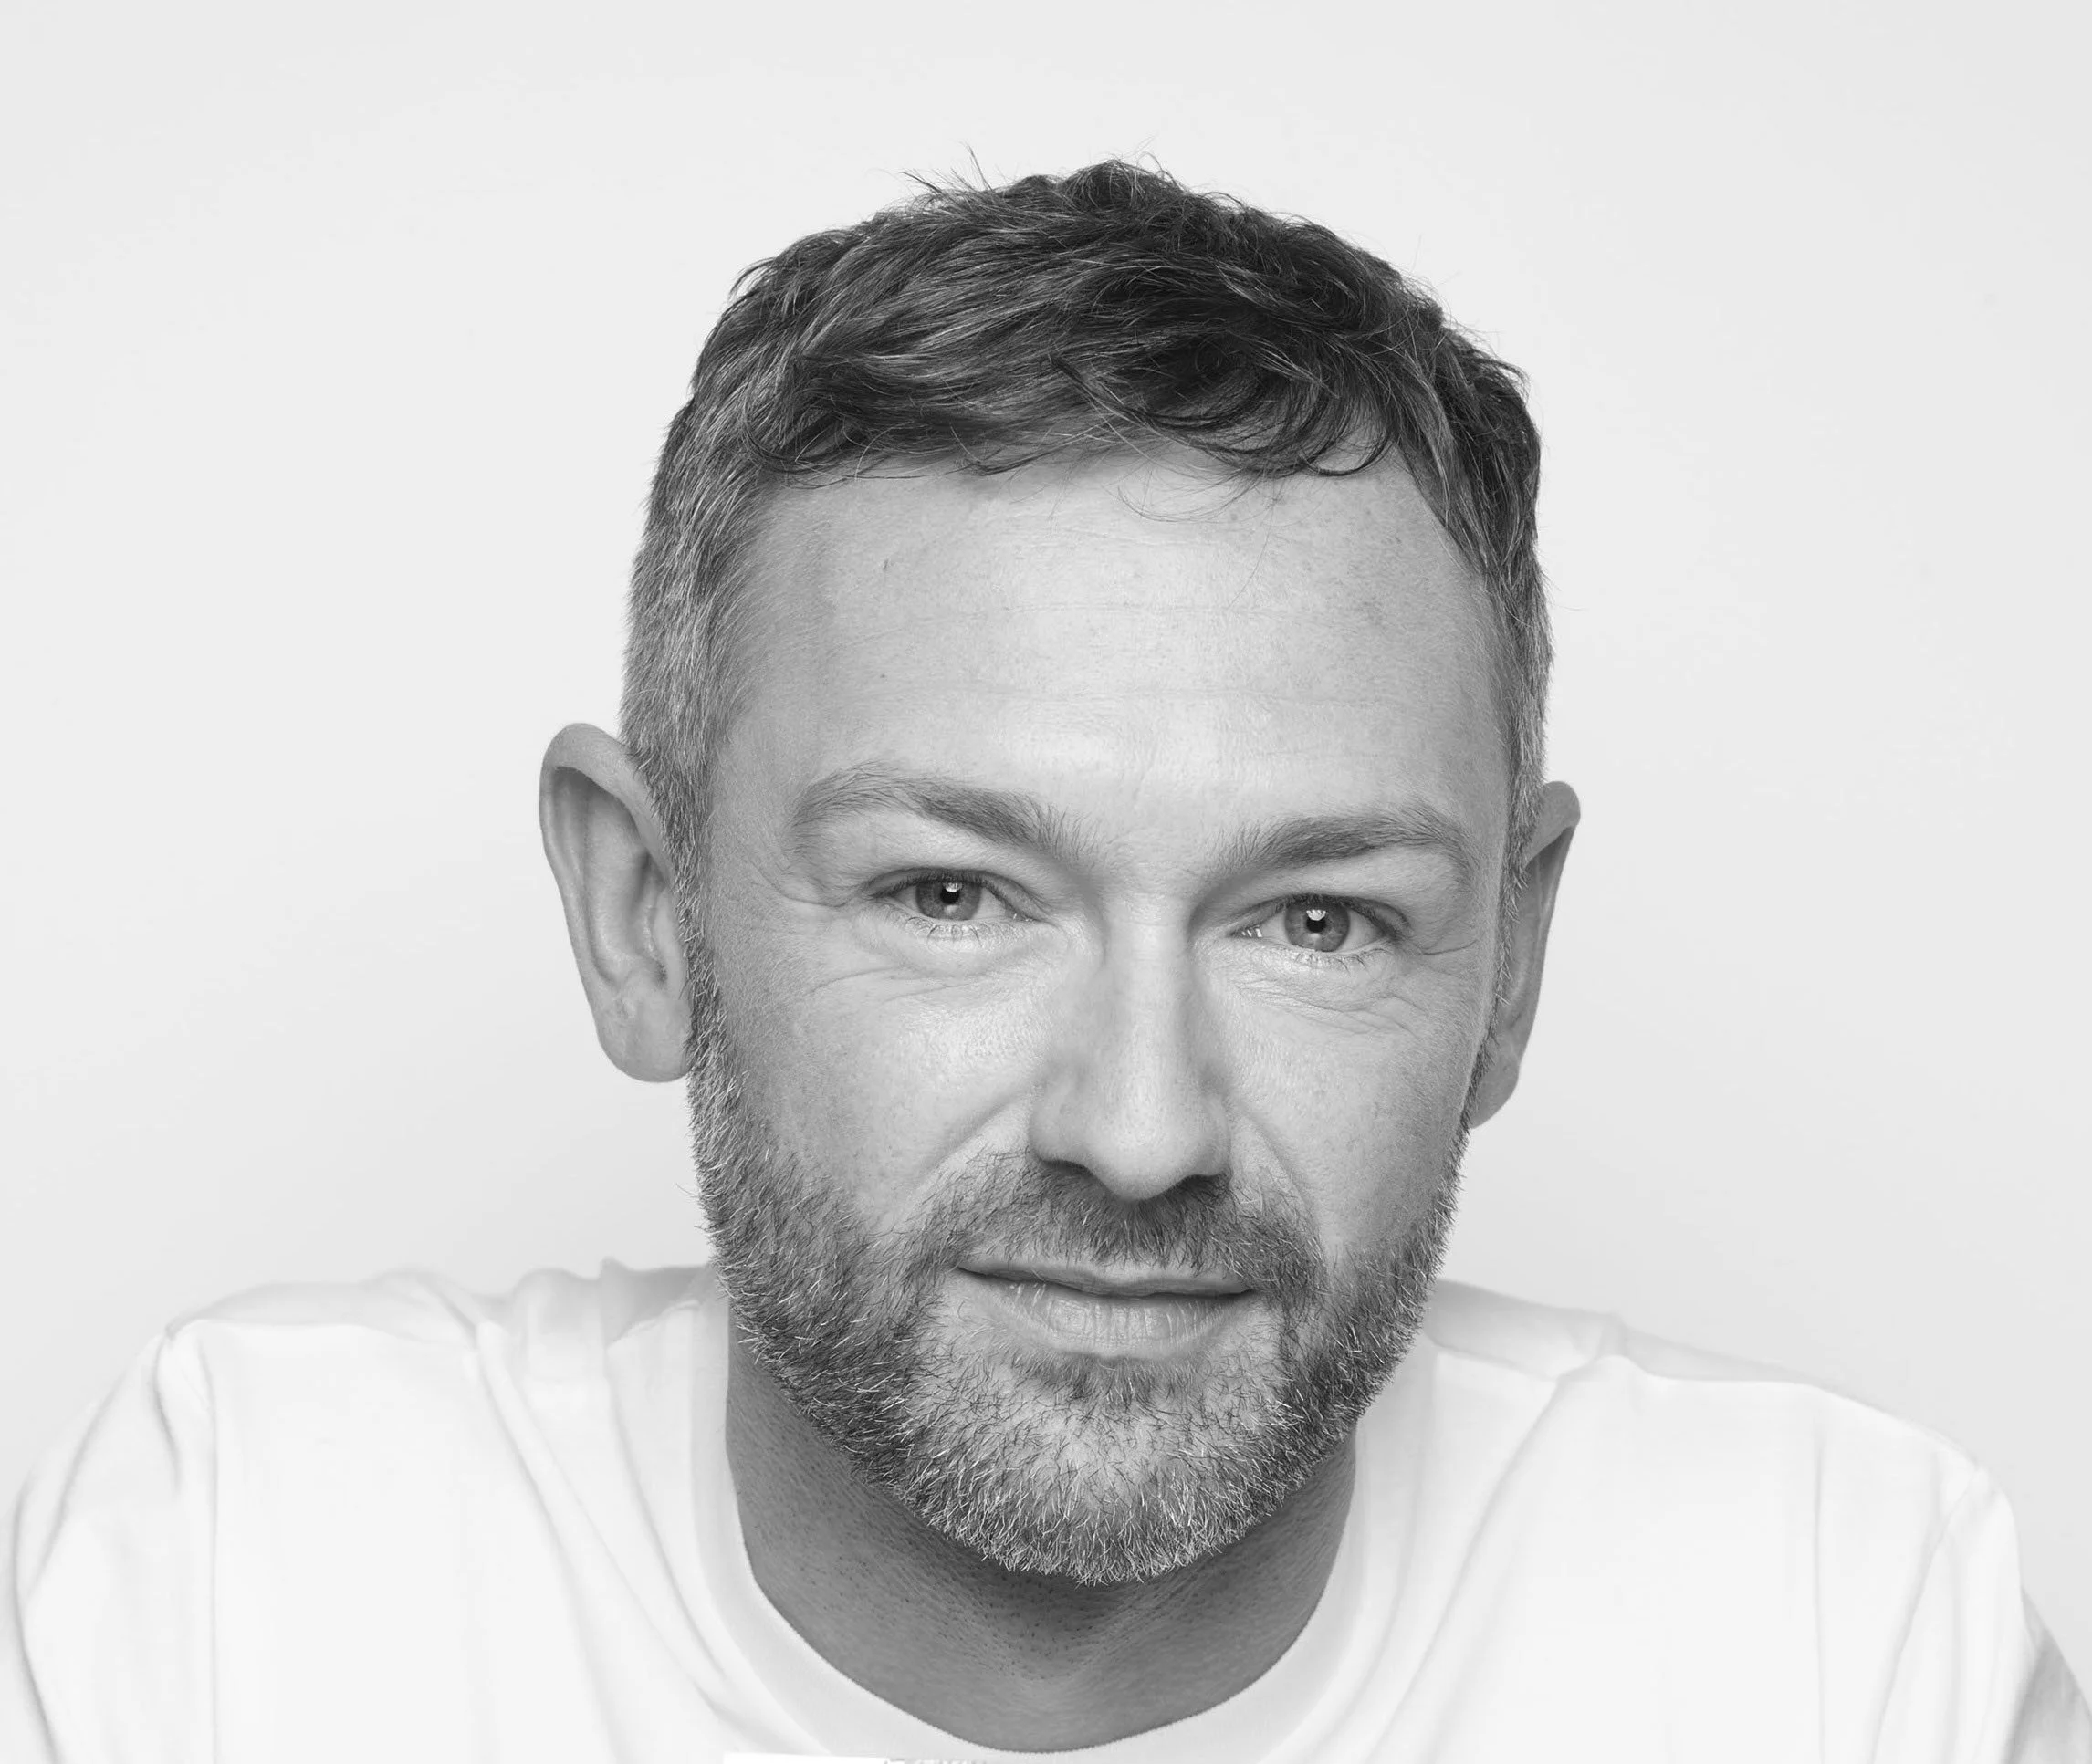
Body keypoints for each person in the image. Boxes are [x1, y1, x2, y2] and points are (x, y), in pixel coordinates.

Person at [4, 161, 2085, 1763]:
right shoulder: (238, 1584)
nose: (1141, 1129)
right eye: (949, 895)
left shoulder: (1840, 1636)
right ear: (645, 914)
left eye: (1318, 918)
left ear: (1509, 974)